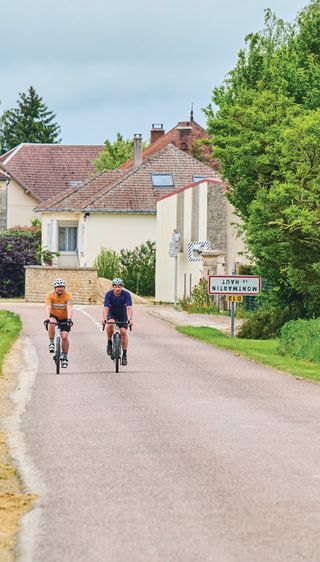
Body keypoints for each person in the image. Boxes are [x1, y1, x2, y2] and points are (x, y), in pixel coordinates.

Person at [102, 277, 133, 366]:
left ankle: (124, 355)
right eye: (116, 287)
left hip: (122, 314)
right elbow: (106, 308)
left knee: (123, 332)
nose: (117, 289)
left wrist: (130, 319)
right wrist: (104, 318)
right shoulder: (108, 294)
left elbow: (129, 307)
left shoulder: (126, 294)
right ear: (113, 287)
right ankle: (109, 342)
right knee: (110, 324)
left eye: (119, 287)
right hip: (112, 313)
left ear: (121, 287)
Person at [44, 278, 73, 368]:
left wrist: (69, 319)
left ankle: (65, 356)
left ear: (64, 287)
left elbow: (69, 308)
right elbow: (48, 307)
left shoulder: (68, 295)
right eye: (58, 287)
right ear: (55, 288)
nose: (60, 288)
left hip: (64, 318)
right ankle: (51, 343)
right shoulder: (50, 295)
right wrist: (47, 318)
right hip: (54, 316)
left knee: (64, 337)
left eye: (61, 287)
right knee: (51, 323)